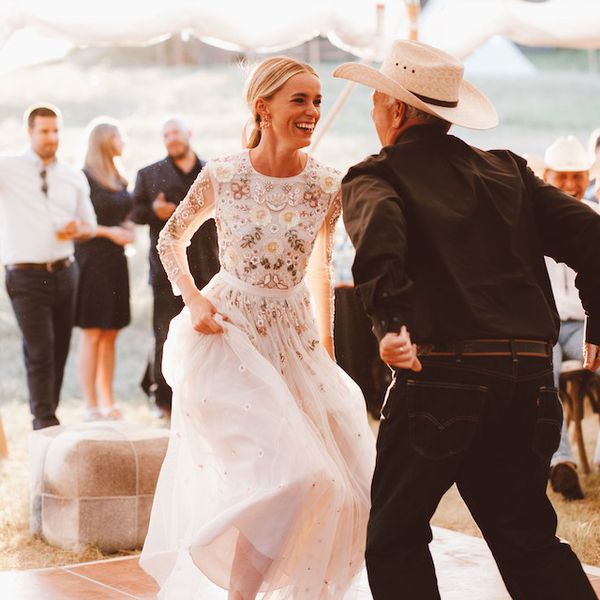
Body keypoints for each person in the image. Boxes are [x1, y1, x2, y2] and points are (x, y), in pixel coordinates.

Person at [335, 40, 599, 599]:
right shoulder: (507, 172)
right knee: (526, 537)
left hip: (443, 378)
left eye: (377, 100)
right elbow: (595, 235)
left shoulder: (374, 175)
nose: (375, 111)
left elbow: (379, 242)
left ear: (397, 110)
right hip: (528, 378)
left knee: (395, 536)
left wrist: (389, 323)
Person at [140, 56, 375, 600]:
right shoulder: (222, 174)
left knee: (344, 483)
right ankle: (237, 591)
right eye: (301, 100)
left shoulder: (326, 185)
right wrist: (194, 302)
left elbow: (322, 268)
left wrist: (327, 349)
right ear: (262, 108)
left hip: (294, 340)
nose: (313, 111)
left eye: (317, 101)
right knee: (290, 473)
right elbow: (168, 239)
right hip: (228, 335)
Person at [0, 104, 96, 430]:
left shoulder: (73, 176)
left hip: (65, 271)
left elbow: (90, 225)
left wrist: (78, 228)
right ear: (29, 133)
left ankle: (48, 414)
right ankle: (43, 421)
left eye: (56, 131)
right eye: (44, 131)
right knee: (40, 350)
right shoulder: (7, 167)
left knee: (59, 350)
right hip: (24, 274)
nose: (51, 137)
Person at [129, 116, 219, 418]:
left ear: (189, 133)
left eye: (176, 133)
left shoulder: (213, 172)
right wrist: (154, 211)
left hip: (209, 267)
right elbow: (135, 211)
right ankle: (162, 397)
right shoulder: (148, 174)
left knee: (207, 331)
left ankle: (204, 393)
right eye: (166, 135)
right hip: (167, 271)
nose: (172, 139)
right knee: (163, 331)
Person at [543, 135, 600, 490]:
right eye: (560, 176)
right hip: (545, 326)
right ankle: (560, 459)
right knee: (539, 372)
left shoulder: (596, 218)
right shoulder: (529, 220)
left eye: (576, 175)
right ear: (545, 176)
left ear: (588, 176)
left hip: (587, 325)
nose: (569, 184)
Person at [75, 118, 134, 421]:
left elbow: (125, 212)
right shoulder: (83, 178)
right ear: (103, 141)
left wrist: (127, 227)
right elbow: (77, 226)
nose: (123, 141)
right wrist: (111, 233)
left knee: (111, 333)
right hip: (92, 260)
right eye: (118, 136)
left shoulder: (119, 178)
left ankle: (108, 401)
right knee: (93, 333)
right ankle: (90, 404)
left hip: (115, 262)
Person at [333, 221, 389, 419]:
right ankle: (363, 398)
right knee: (352, 345)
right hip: (342, 280)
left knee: (377, 341)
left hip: (374, 279)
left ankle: (380, 398)